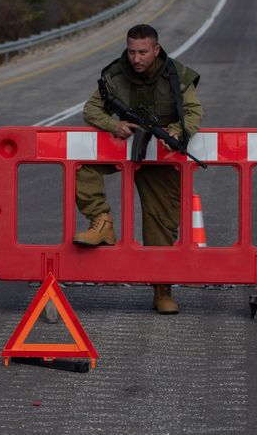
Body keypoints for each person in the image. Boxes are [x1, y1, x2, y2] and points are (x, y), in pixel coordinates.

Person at [73, 24, 203, 314]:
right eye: (132, 51)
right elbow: (91, 109)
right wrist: (113, 125)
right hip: (124, 145)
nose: (136, 58)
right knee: (81, 165)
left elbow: (194, 112)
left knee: (160, 222)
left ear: (156, 50)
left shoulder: (177, 75)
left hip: (162, 154)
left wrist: (178, 132)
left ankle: (162, 290)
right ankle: (102, 222)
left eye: (143, 52)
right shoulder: (115, 75)